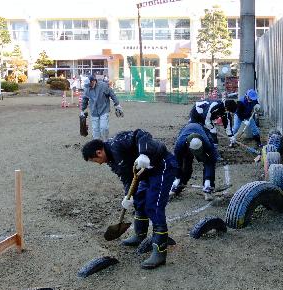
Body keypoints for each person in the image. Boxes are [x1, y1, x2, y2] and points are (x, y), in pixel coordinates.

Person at [81, 129, 177, 269]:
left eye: (95, 160)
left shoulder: (117, 143)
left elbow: (142, 134)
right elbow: (127, 178)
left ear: (98, 152)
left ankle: (160, 252)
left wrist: (144, 154)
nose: (98, 163)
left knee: (153, 206)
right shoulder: (112, 161)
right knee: (139, 200)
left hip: (162, 165)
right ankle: (140, 235)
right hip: (145, 173)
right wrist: (129, 196)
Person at [170, 122, 218, 198]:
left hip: (201, 130)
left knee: (208, 163)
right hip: (186, 136)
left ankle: (208, 188)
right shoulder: (179, 146)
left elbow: (210, 162)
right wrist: (177, 178)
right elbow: (177, 163)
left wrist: (208, 180)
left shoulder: (207, 144)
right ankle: (178, 186)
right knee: (186, 167)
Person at [81, 75, 123, 141]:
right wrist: (82, 110)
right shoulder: (87, 88)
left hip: (104, 109)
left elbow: (112, 94)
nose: (89, 86)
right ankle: (97, 144)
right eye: (88, 85)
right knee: (95, 130)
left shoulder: (103, 86)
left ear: (93, 81)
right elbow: (85, 99)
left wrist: (117, 104)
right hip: (94, 111)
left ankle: (105, 142)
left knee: (104, 128)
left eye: (89, 85)